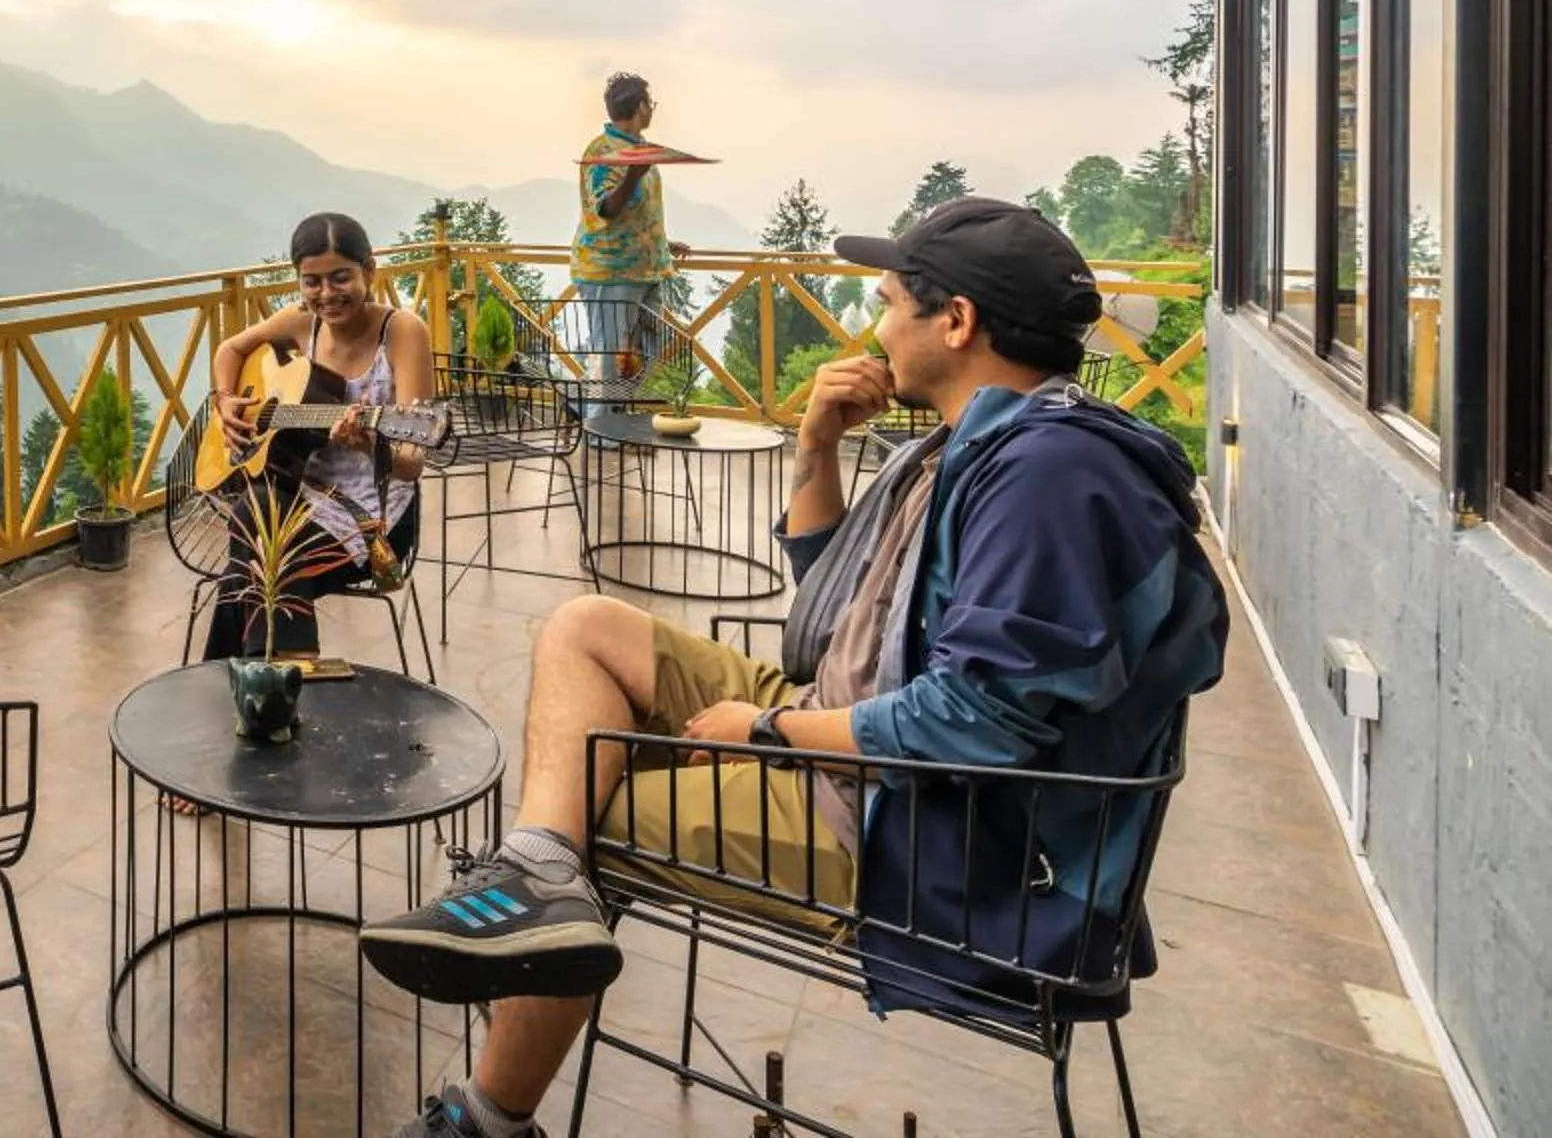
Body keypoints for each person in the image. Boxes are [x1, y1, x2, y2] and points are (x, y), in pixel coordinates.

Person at [360, 197, 1228, 1138]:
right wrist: (815, 448)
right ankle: (538, 874)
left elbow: (979, 718)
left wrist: (768, 734)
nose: (879, 325)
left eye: (892, 302)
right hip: (850, 717)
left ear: (958, 321)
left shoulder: (1046, 477)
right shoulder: (977, 442)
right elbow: (835, 613)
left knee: (590, 812)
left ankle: (490, 1112)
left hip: (914, 822)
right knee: (585, 627)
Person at [199, 211, 435, 660]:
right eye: (312, 281)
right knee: (259, 529)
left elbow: (412, 462)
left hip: (373, 516)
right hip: (298, 495)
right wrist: (225, 398)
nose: (326, 294)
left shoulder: (401, 331)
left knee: (254, 550)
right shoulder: (299, 323)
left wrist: (371, 443)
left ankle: (263, 681)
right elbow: (230, 349)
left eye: (340, 277)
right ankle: (278, 681)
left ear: (370, 271)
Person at [573, 73, 690, 382]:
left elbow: (638, 210)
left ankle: (587, 409)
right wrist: (632, 177)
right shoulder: (603, 152)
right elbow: (606, 209)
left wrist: (660, 243)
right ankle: (595, 422)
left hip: (645, 269)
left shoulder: (639, 149)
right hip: (610, 272)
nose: (652, 109)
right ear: (641, 107)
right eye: (650, 103)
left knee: (645, 356)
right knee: (611, 364)